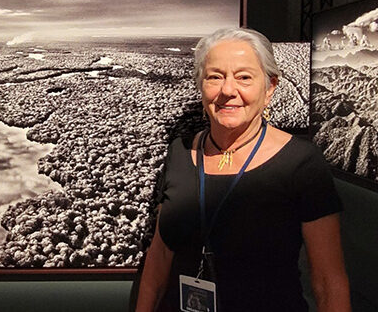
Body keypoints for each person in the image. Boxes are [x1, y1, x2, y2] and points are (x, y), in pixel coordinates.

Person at [135, 28, 350, 312]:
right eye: (214, 77)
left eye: (244, 77)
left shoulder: (301, 163)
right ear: (201, 86)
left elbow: (327, 281)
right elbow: (161, 254)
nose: (227, 90)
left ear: (270, 87)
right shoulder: (180, 152)